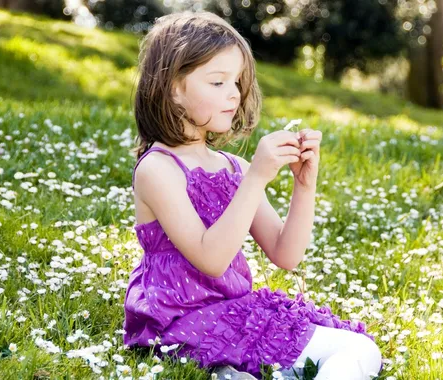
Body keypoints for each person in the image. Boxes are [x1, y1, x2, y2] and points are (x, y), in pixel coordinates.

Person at [123, 10, 382, 380]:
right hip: (179, 322)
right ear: (174, 88)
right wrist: (257, 177)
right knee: (356, 352)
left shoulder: (233, 168)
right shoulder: (158, 169)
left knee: (359, 348)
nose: (234, 94)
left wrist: (304, 185)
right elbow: (210, 258)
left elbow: (285, 254)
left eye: (238, 82)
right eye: (217, 82)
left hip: (234, 312)